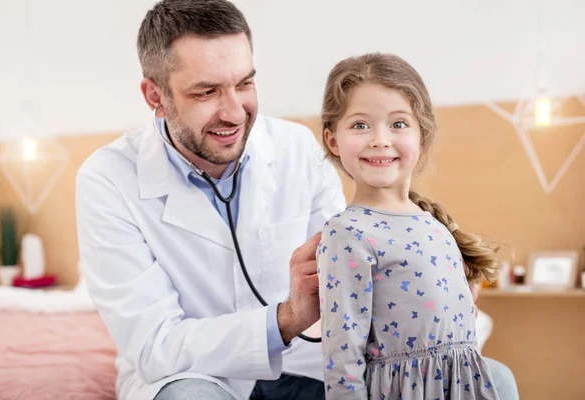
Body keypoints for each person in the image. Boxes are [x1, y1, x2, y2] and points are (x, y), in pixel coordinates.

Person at [75, 1, 519, 399]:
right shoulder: (107, 180)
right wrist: (286, 318)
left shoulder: (294, 146)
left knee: (493, 378)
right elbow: (155, 345)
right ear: (156, 96)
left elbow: (354, 270)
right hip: (197, 375)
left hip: (305, 367)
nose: (233, 111)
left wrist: (433, 293)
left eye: (244, 84)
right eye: (206, 92)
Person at [317, 53, 504, 399]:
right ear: (332, 140)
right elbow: (342, 356)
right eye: (360, 125)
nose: (379, 139)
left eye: (398, 124)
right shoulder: (347, 233)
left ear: (422, 135)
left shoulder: (435, 224)